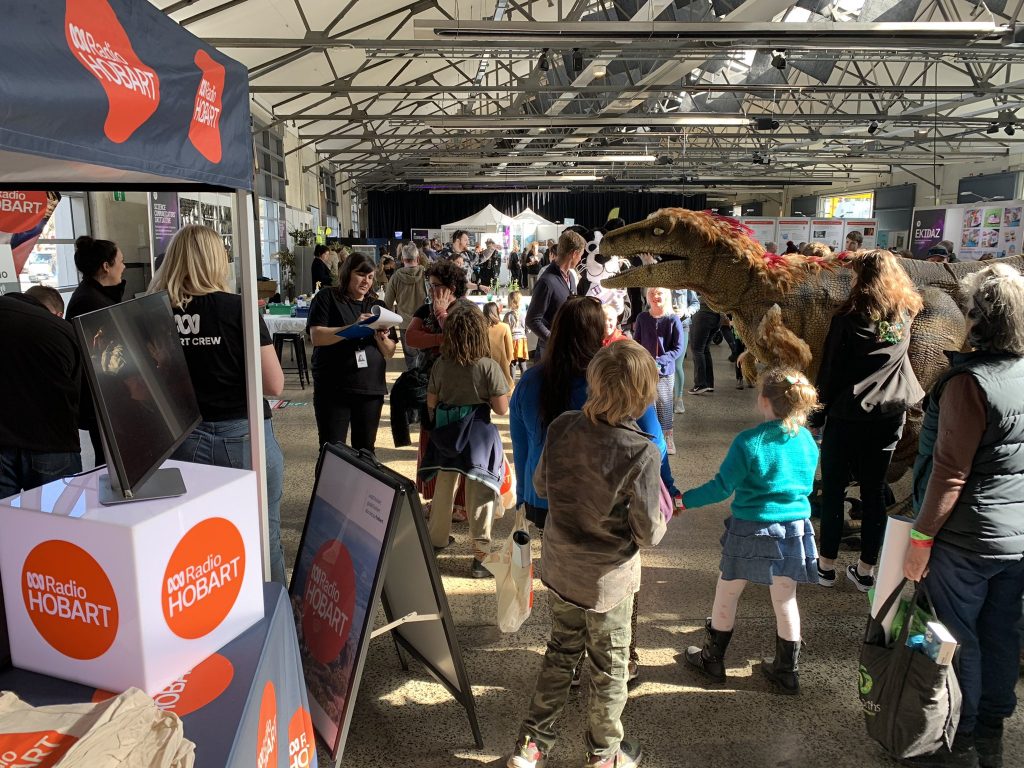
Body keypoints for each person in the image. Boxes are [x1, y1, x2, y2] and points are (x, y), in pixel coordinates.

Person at [506, 341, 666, 768]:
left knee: (560, 651)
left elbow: (540, 487)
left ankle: (532, 744)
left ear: (594, 381)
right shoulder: (642, 451)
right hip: (607, 582)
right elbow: (649, 533)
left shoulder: (561, 427)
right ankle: (604, 752)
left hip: (561, 567)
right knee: (610, 665)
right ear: (643, 395)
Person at [902, 263, 1024, 768]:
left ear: (977, 318)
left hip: (965, 540)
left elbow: (949, 472)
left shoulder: (967, 384)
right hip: (1016, 540)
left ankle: (963, 735)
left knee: (959, 635)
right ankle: (992, 732)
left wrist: (920, 539)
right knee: (1003, 633)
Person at [148, 225, 288, 583]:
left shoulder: (152, 312)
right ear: (217, 262)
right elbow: (274, 384)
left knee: (197, 544)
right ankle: (277, 627)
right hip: (242, 437)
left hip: (180, 438)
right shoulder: (237, 308)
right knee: (261, 535)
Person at [681, 368, 820, 694]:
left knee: (728, 591)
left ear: (763, 401)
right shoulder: (807, 440)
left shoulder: (750, 442)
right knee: (786, 598)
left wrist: (683, 501)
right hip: (793, 529)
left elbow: (720, 487)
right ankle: (786, 672)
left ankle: (712, 660)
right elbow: (808, 484)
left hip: (750, 529)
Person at [814, 249, 924, 591]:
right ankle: (866, 571)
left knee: (833, 489)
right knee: (874, 490)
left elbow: (831, 370)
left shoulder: (847, 317)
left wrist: (818, 410)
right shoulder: (905, 312)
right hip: (890, 412)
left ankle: (826, 566)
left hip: (848, 413)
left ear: (861, 278)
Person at [421, 303, 510, 578]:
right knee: (480, 495)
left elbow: (431, 403)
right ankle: (480, 557)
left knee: (444, 489)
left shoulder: (441, 364)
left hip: (448, 436)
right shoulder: (487, 367)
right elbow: (501, 408)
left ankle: (436, 541)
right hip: (478, 439)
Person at [307, 252, 398, 453]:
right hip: (334, 388)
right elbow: (317, 336)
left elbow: (390, 351)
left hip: (369, 389)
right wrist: (354, 327)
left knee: (365, 451)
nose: (366, 281)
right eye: (361, 274)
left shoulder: (378, 307)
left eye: (370, 277)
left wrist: (380, 336)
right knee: (332, 449)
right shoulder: (327, 297)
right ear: (348, 272)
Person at [0, 286, 82, 498]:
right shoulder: (63, 330)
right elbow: (79, 392)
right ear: (57, 313)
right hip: (53, 444)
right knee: (59, 524)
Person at [406, 260, 471, 519]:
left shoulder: (466, 310)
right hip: (430, 386)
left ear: (452, 287)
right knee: (431, 441)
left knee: (461, 443)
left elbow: (463, 343)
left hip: (460, 388)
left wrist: (443, 317)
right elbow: (411, 338)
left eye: (437, 286)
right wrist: (441, 339)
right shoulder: (425, 309)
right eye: (430, 285)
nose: (432, 291)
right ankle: (435, 500)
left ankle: (462, 504)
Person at [66, 235, 126, 464]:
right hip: (100, 396)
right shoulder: (89, 302)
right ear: (106, 266)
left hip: (104, 393)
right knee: (110, 458)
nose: (124, 266)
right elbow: (105, 351)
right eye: (120, 261)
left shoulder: (96, 295)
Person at [633, 287, 684, 454]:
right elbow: (637, 341)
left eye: (659, 293)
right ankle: (652, 437)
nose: (656, 297)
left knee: (664, 403)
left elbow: (678, 348)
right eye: (652, 294)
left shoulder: (673, 319)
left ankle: (668, 436)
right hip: (645, 369)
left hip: (665, 371)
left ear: (666, 296)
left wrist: (660, 361)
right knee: (648, 404)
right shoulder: (642, 317)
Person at [525, 229, 585, 359]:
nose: (581, 259)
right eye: (581, 255)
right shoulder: (547, 281)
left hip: (567, 351)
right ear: (574, 254)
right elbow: (532, 320)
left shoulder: (571, 277)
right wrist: (554, 339)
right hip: (551, 354)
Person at [385, 242, 428, 370]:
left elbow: (387, 303)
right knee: (425, 360)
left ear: (403, 259)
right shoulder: (426, 275)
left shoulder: (395, 277)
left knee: (411, 361)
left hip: (405, 325)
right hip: (425, 324)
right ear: (418, 258)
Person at [672, 289, 700, 412]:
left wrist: (686, 312)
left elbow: (696, 303)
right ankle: (663, 399)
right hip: (662, 326)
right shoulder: (659, 280)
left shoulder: (685, 284)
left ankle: (679, 399)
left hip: (682, 326)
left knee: (677, 365)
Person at [688, 295, 722, 395]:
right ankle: (709, 383)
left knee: (697, 349)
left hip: (702, 313)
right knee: (705, 349)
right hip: (716, 315)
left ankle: (700, 384)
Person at [484, 301, 515, 391]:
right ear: (496, 311)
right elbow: (510, 350)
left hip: (485, 367)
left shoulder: (481, 328)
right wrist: (507, 363)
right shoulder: (504, 327)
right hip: (502, 366)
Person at [504, 290, 529, 378]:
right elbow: (527, 329)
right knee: (523, 362)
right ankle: (525, 382)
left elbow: (505, 329)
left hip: (512, 340)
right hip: (522, 340)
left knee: (512, 363)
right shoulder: (524, 315)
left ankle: (512, 384)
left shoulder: (508, 315)